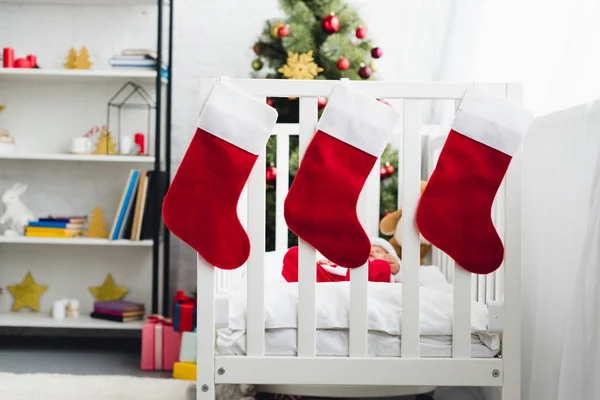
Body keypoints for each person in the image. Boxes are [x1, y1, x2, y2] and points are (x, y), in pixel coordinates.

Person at [281, 237, 402, 283]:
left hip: (355, 281)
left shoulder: (386, 267)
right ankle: (315, 285)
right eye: (369, 249)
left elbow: (404, 281)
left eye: (379, 251)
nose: (372, 251)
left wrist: (396, 270)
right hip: (327, 278)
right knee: (296, 254)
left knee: (381, 267)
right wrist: (325, 263)